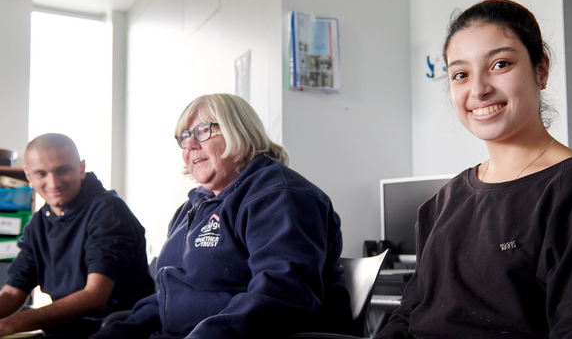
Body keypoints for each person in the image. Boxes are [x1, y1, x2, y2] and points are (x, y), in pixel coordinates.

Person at [375, 0, 572, 339]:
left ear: (541, 70)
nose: (478, 89)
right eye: (461, 74)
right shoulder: (440, 204)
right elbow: (407, 317)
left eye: (500, 64)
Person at [93, 93, 351, 339]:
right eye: (184, 136)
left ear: (241, 132)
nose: (191, 144)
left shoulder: (279, 196)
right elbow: (167, 299)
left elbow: (281, 294)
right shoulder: (192, 208)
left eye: (203, 131)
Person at [0, 133, 155, 338]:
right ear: (29, 176)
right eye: (41, 173)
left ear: (81, 168)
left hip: (113, 328)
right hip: (66, 328)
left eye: (62, 170)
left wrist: (10, 325)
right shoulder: (39, 222)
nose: (53, 183)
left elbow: (94, 295)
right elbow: (13, 291)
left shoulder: (108, 211)